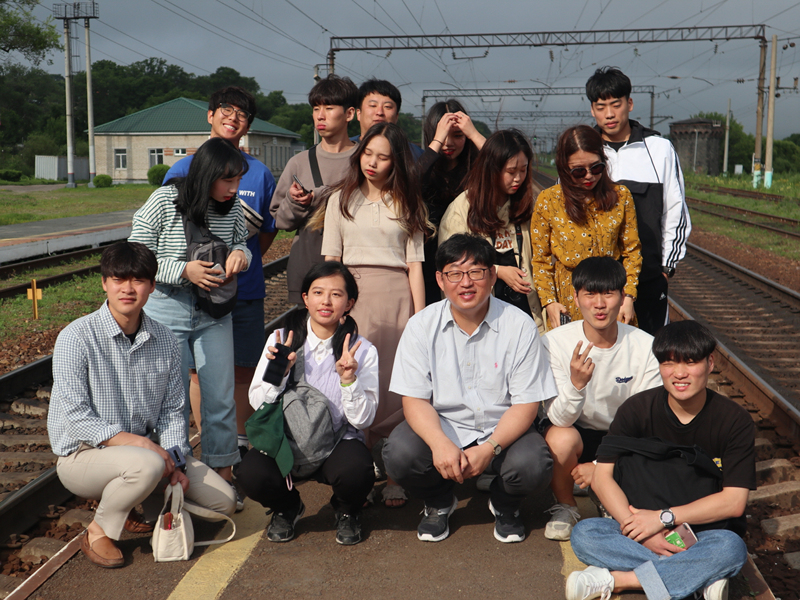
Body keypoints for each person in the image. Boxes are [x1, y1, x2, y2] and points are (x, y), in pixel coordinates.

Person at [48, 242, 235, 568]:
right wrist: (145, 447)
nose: (128, 289)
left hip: (146, 457)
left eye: (138, 280)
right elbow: (77, 418)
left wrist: (177, 463)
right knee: (146, 464)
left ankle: (137, 502)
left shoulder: (165, 340)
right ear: (104, 283)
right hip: (83, 455)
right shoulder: (76, 337)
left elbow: (173, 412)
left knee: (224, 502)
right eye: (119, 280)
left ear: (152, 285)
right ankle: (98, 530)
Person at [383, 234, 557, 543]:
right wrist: (439, 443)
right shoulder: (421, 326)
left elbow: (526, 404)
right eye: (454, 273)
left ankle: (505, 504)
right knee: (399, 453)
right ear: (440, 280)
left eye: (476, 272)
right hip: (444, 425)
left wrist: (490, 448)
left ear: (492, 276)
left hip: (502, 429)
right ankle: (438, 501)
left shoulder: (519, 325)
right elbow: (415, 399)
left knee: (534, 464)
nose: (466, 283)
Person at [566, 320, 755, 600]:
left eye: (690, 362)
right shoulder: (636, 409)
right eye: (669, 363)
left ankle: (619, 581)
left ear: (710, 363)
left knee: (730, 548)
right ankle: (695, 578)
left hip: (701, 533)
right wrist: (640, 531)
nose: (679, 373)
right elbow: (602, 476)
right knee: (585, 533)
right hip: (638, 527)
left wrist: (662, 518)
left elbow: (734, 502)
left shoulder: (734, 420)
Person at [164, 85, 277, 469]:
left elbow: (264, 232)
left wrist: (242, 258)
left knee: (242, 369)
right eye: (226, 109)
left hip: (244, 290)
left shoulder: (259, 173)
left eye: (242, 113)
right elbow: (168, 232)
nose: (233, 117)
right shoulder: (182, 171)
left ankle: (236, 448)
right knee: (198, 375)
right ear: (210, 115)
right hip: (192, 294)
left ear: (249, 125)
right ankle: (203, 448)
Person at [129, 137, 251, 489]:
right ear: (206, 175)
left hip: (215, 311)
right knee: (172, 401)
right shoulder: (164, 201)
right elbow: (136, 253)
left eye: (238, 180)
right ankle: (175, 477)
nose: (234, 189)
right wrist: (184, 270)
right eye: (227, 180)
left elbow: (241, 242)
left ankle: (222, 478)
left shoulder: (232, 207)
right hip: (168, 307)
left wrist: (241, 255)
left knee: (220, 398)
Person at [322, 122, 430, 508]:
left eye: (383, 157)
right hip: (352, 300)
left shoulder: (409, 202)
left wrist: (419, 319)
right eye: (367, 153)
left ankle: (395, 473)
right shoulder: (340, 200)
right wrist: (332, 306)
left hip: (397, 299)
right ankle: (361, 472)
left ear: (396, 161)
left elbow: (415, 266)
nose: (372, 162)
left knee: (395, 384)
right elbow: (331, 260)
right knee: (355, 380)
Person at [237, 261, 378, 545]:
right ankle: (287, 507)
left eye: (336, 294)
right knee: (249, 473)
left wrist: (349, 380)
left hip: (337, 442)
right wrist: (278, 373)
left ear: (349, 303)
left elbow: (363, 420)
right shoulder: (280, 340)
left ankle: (347, 510)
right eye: (318, 292)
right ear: (305, 298)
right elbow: (257, 401)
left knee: (358, 470)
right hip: (286, 442)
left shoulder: (362, 350)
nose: (326, 301)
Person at [540, 257, 661, 541]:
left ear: (623, 296)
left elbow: (646, 420)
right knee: (560, 438)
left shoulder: (645, 346)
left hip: (623, 438)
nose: (599, 304)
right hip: (578, 431)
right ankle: (565, 505)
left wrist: (598, 467)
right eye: (590, 294)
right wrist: (576, 385)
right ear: (575, 298)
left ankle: (608, 493)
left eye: (608, 293)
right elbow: (558, 418)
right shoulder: (554, 342)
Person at [586, 67, 691, 335]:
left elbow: (675, 211)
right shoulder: (583, 150)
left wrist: (666, 268)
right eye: (601, 107)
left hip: (647, 278)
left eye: (616, 104)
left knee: (650, 348)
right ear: (592, 110)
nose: (609, 114)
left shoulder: (659, 149)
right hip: (595, 284)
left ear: (629, 104)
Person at [530, 124, 642, 331]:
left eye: (596, 168)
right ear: (564, 168)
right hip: (568, 301)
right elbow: (541, 260)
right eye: (579, 171)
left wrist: (628, 297)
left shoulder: (621, 196)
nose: (589, 176)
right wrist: (550, 302)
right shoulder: (549, 201)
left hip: (612, 299)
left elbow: (632, 251)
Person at [439, 129, 544, 333]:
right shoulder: (461, 210)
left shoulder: (529, 204)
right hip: (481, 319)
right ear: (491, 169)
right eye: (511, 172)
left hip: (529, 315)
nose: (518, 178)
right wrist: (498, 271)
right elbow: (452, 268)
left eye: (523, 170)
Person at [270, 74, 360, 303]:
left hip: (357, 271)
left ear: (349, 114)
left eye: (329, 108)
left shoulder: (365, 160)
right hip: (308, 274)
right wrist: (295, 202)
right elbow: (280, 221)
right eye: (316, 108)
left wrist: (317, 196)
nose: (320, 115)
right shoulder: (299, 162)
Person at [418, 99, 486, 305]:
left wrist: (474, 133)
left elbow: (503, 162)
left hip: (467, 262)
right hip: (428, 263)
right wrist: (436, 141)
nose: (448, 143)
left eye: (458, 135)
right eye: (443, 135)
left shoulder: (477, 169)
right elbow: (409, 184)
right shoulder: (423, 166)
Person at [351, 78, 424, 159]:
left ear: (396, 116)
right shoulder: (346, 149)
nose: (380, 112)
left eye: (387, 107)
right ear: (359, 114)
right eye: (373, 105)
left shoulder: (415, 154)